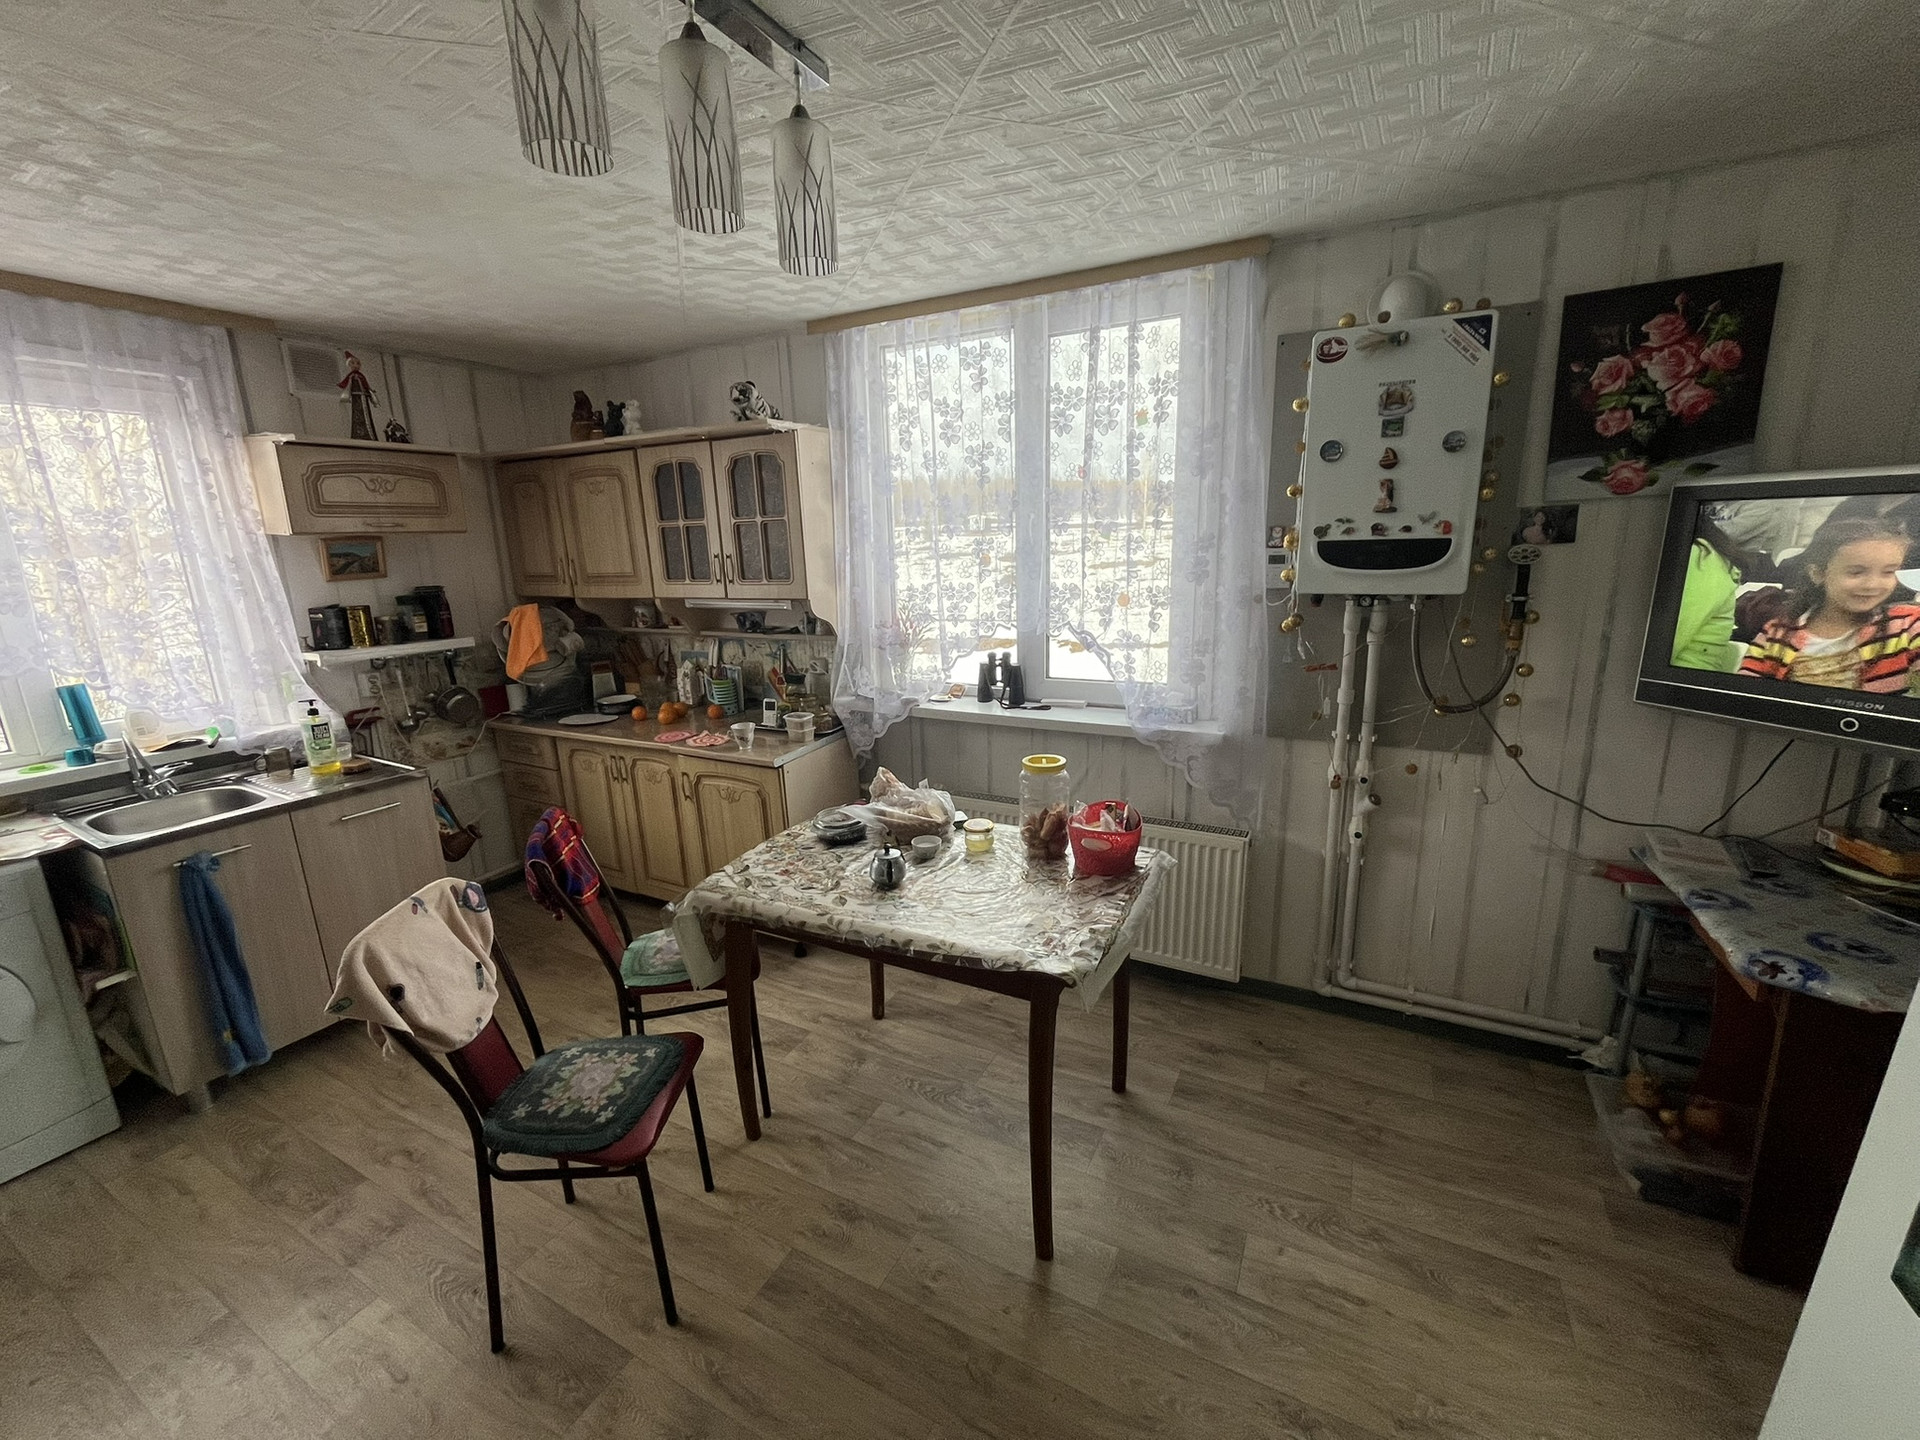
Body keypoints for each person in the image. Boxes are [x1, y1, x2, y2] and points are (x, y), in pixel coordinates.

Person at [1739, 519, 1920, 691]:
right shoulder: (1777, 632)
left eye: (1888, 572)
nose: (1873, 584)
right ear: (1817, 574)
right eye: (1856, 572)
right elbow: (1746, 694)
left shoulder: (1909, 625)